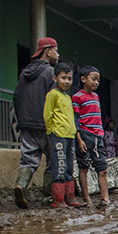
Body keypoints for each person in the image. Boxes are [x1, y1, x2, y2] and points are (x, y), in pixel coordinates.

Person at [12, 36, 59, 209]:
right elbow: (54, 100)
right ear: (47, 51)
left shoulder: (25, 72)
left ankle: (21, 185)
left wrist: (21, 119)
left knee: (28, 160)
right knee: (52, 160)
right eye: (56, 50)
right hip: (45, 124)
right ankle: (47, 197)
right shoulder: (51, 73)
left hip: (26, 124)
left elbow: (16, 97)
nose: (57, 54)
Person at [43, 62, 83, 209]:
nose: (66, 81)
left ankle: (70, 197)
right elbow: (48, 115)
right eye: (63, 78)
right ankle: (58, 199)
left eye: (69, 78)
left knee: (69, 167)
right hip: (57, 135)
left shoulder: (67, 97)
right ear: (55, 78)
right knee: (59, 166)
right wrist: (50, 133)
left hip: (70, 135)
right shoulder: (52, 94)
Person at [72, 65, 109, 209]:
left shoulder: (96, 96)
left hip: (98, 136)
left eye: (98, 80)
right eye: (93, 79)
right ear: (83, 79)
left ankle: (105, 199)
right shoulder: (77, 97)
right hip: (85, 135)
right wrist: (79, 138)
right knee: (84, 167)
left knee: (102, 168)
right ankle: (87, 199)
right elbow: (75, 119)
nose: (96, 83)